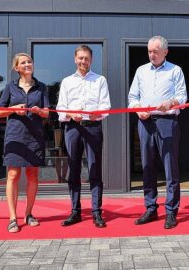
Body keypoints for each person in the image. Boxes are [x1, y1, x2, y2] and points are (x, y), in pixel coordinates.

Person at [128, 36, 187, 229]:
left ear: (165, 52)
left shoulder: (175, 70)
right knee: (148, 167)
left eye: (155, 51)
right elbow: (132, 97)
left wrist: (171, 102)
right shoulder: (141, 71)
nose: (151, 55)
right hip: (145, 123)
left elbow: (182, 97)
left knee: (170, 168)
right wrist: (138, 109)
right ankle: (151, 208)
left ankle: (171, 211)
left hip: (167, 122)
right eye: (149, 51)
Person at [56, 45, 111, 228]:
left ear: (91, 60)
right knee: (74, 170)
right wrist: (71, 115)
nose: (83, 61)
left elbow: (106, 107)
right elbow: (60, 109)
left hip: (93, 128)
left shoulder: (100, 80)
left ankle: (96, 212)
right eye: (80, 58)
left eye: (86, 58)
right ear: (75, 59)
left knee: (95, 170)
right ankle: (75, 212)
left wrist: (98, 114)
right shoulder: (66, 81)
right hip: (72, 129)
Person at [0, 53, 49, 233]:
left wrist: (38, 111)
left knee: (33, 175)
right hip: (15, 136)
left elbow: (47, 113)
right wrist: (12, 110)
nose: (28, 64)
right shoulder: (9, 87)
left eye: (30, 62)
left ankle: (28, 214)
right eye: (23, 62)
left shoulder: (42, 87)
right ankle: (13, 218)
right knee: (12, 176)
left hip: (35, 136)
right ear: (17, 68)